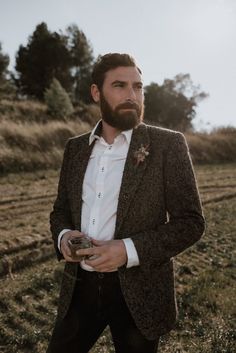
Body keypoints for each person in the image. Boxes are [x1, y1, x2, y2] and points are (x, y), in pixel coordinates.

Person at [47, 53, 205, 353]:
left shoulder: (168, 145)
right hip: (79, 287)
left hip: (140, 292)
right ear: (96, 92)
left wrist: (127, 251)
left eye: (138, 87)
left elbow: (191, 222)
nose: (132, 95)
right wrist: (64, 236)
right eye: (120, 85)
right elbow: (60, 211)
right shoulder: (75, 148)